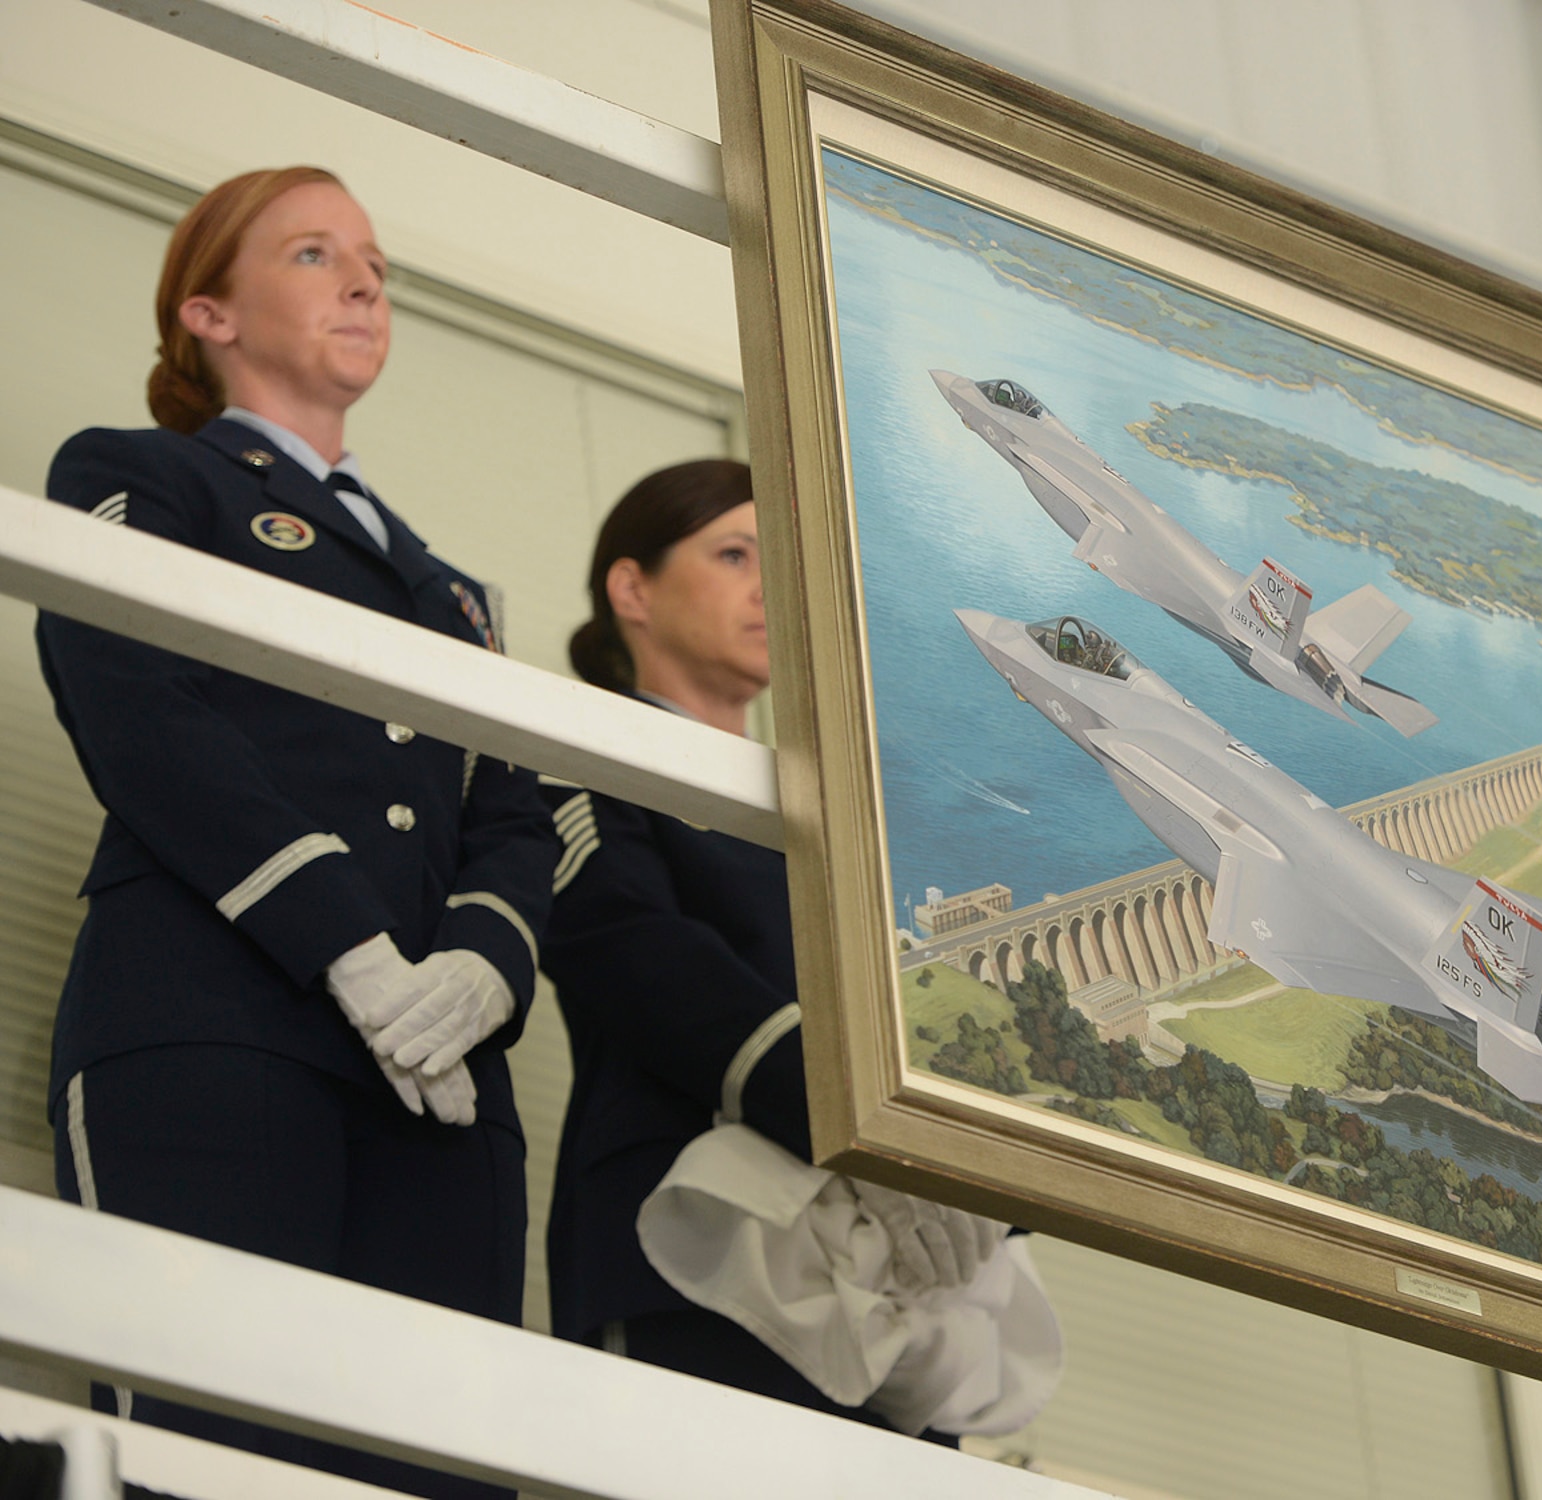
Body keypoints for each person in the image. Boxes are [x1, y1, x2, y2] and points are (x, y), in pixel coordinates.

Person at [37, 166, 556, 1500]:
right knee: (208, 1456)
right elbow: (137, 704)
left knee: (430, 1469)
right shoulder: (143, 476)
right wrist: (348, 943)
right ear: (206, 312)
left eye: (375, 260)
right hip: (219, 1025)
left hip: (436, 1081)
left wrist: (484, 967)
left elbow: (514, 806)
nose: (367, 281)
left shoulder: (452, 591)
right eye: (317, 252)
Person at [542, 461, 1059, 1439]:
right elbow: (630, 948)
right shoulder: (583, 755)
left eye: (778, 561)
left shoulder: (852, 813)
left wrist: (976, 1183)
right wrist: (859, 1115)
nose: (764, 586)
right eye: (734, 554)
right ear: (631, 589)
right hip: (699, 1261)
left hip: (900, 1284)